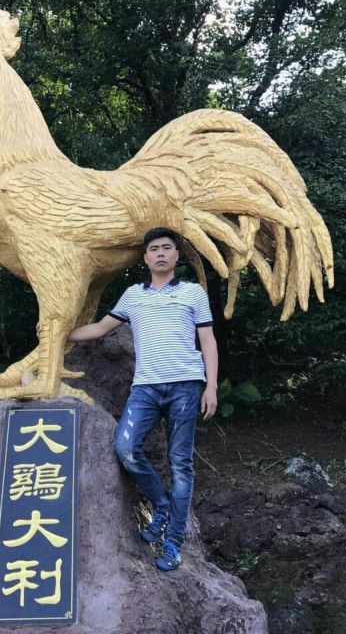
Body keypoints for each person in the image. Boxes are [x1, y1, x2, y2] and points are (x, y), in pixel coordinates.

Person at [67, 226, 218, 571]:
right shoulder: (133, 295)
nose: (160, 253)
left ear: (177, 255)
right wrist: (59, 333)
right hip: (146, 387)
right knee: (125, 447)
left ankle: (174, 542)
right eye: (154, 249)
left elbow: (208, 340)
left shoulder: (193, 292)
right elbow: (100, 328)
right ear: (146, 258)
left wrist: (211, 386)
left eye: (167, 248)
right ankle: (161, 505)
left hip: (185, 385)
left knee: (181, 464)